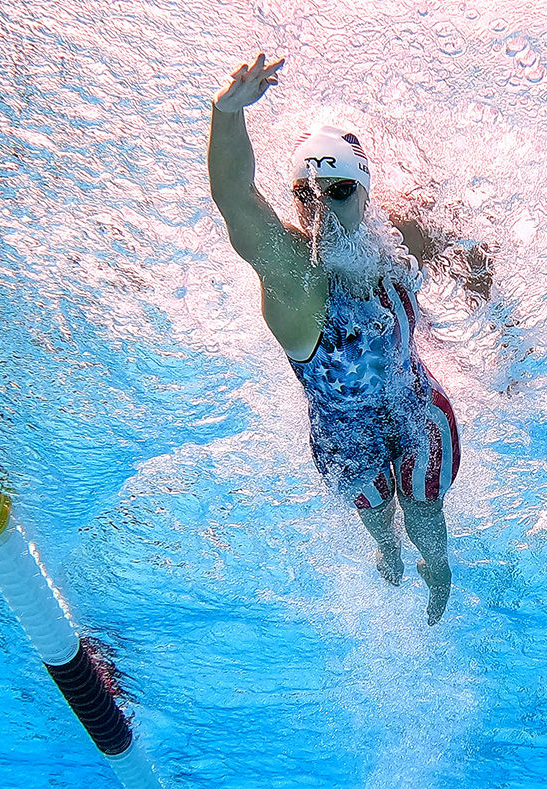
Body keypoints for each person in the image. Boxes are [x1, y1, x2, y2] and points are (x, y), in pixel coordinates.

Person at [207, 53, 461, 624]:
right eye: (306, 193)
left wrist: (498, 323)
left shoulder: (396, 235)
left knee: (424, 506)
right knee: (379, 511)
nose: (321, 208)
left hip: (416, 406)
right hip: (344, 438)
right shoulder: (293, 279)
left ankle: (438, 565)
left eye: (339, 189)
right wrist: (227, 114)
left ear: (366, 194)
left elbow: (462, 247)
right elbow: (236, 198)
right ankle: (385, 546)